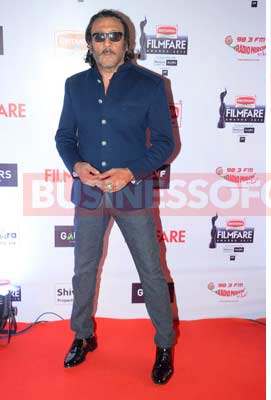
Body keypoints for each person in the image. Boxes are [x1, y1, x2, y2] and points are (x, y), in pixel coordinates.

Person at [55, 9, 176, 384]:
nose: (107, 43)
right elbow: (64, 137)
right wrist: (77, 165)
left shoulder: (151, 85)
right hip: (89, 196)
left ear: (127, 42)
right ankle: (82, 335)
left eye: (114, 35)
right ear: (89, 44)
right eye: (99, 36)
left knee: (151, 272)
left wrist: (131, 172)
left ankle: (164, 345)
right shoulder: (74, 85)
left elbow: (165, 144)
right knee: (83, 271)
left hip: (133, 194)